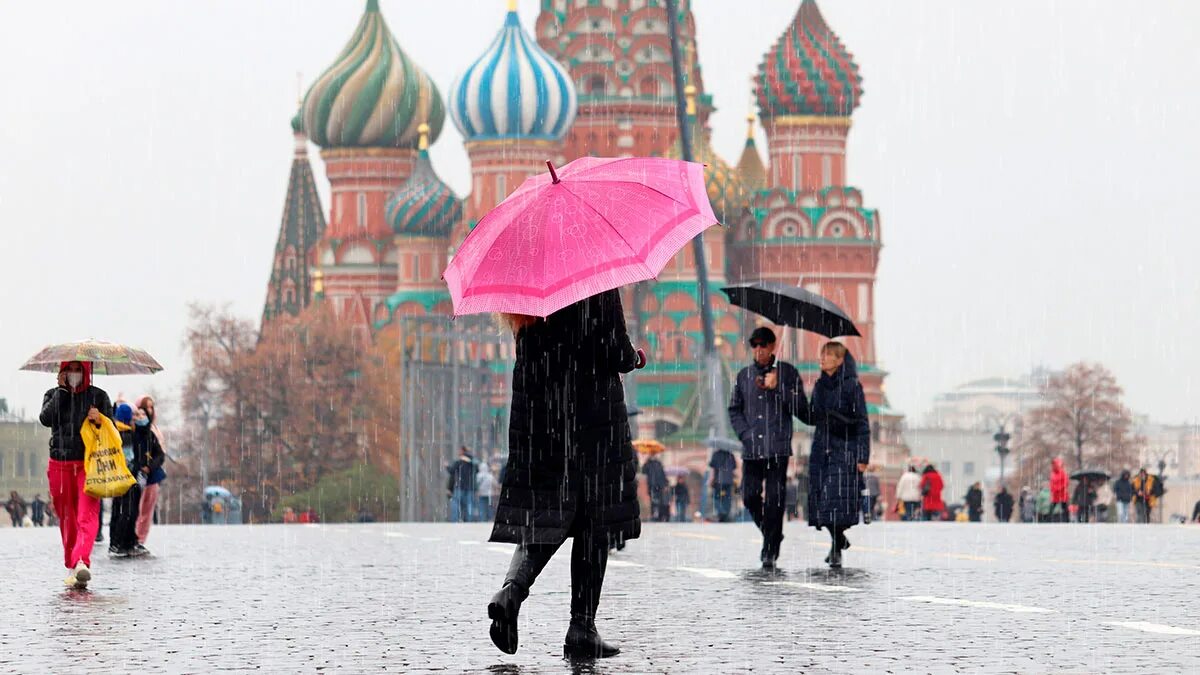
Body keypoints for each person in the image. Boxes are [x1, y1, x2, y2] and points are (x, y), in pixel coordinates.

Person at [487, 289, 645, 659]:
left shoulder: (525, 289)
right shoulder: (594, 279)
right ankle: (581, 626)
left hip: (541, 420)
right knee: (595, 520)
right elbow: (615, 350)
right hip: (591, 418)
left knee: (547, 514)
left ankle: (511, 591)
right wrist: (634, 358)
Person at [728, 326, 810, 569]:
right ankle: (772, 534)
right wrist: (745, 434)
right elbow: (734, 409)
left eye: (763, 344)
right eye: (755, 345)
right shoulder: (744, 376)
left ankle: (770, 550)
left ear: (773, 346)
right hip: (752, 449)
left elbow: (803, 411)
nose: (759, 349)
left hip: (777, 448)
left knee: (775, 500)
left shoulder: (788, 373)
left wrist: (779, 387)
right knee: (749, 496)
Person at [40, 361, 112, 588]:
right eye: (69, 369)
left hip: (89, 464)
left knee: (86, 514)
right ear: (62, 372)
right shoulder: (52, 394)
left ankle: (82, 561)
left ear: (86, 371)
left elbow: (113, 430)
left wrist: (99, 420)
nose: (74, 374)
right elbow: (45, 419)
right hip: (59, 463)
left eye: (78, 369)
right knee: (67, 516)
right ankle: (73, 564)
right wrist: (61, 392)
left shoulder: (98, 396)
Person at [804, 341, 869, 569]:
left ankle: (836, 547)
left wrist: (863, 456)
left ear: (840, 360)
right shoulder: (820, 385)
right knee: (823, 500)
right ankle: (838, 541)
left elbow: (862, 423)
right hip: (822, 447)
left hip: (845, 448)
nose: (822, 359)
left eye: (828, 355)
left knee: (836, 500)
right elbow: (812, 417)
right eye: (822, 354)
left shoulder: (852, 386)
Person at [108, 403, 142, 557]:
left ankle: (114, 542)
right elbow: (129, 459)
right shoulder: (127, 434)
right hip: (127, 479)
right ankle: (122, 543)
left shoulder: (113, 431)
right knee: (127, 512)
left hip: (115, 479)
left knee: (118, 510)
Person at [135, 395, 167, 545]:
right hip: (137, 476)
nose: (149, 410)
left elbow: (160, 453)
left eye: (151, 407)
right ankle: (133, 537)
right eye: (145, 407)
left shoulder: (153, 431)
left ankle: (141, 540)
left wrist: (150, 466)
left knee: (147, 510)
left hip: (153, 475)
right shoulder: (133, 432)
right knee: (136, 509)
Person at [446, 448, 477, 523]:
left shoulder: (459, 462)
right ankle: (468, 521)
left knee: (455, 505)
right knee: (468, 506)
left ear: (462, 452)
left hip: (459, 487)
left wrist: (446, 466)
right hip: (469, 487)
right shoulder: (472, 463)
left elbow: (451, 471)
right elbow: (477, 470)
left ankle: (455, 520)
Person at [708, 448, 737, 522]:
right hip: (728, 481)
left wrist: (711, 480)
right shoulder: (731, 455)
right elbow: (734, 467)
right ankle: (725, 515)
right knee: (727, 499)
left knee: (716, 498)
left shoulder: (715, 454)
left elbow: (713, 469)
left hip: (718, 481)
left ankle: (721, 512)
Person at [641, 455, 669, 522]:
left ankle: (658, 516)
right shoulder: (648, 464)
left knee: (659, 502)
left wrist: (665, 484)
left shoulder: (659, 464)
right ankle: (654, 515)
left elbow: (662, 475)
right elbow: (643, 471)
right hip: (652, 486)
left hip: (658, 486)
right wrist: (646, 462)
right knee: (653, 502)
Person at [1049, 458, 1070, 523]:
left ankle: (1067, 520)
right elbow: (1051, 483)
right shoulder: (1052, 474)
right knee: (1052, 507)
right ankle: (1049, 520)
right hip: (1055, 494)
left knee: (1064, 507)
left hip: (1062, 494)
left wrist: (1059, 488)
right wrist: (1054, 489)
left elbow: (1066, 482)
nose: (1053, 466)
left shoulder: (1062, 473)